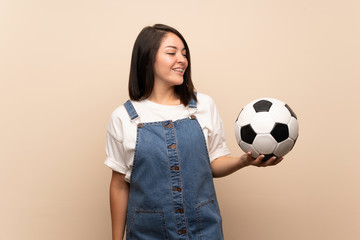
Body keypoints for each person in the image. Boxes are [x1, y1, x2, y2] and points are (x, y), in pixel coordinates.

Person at [105, 23, 283, 240]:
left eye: (184, 54)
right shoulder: (123, 117)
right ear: (147, 59)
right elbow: (119, 186)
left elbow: (214, 162)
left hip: (204, 231)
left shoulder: (203, 106)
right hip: (147, 233)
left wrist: (243, 161)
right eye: (171, 53)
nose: (182, 60)